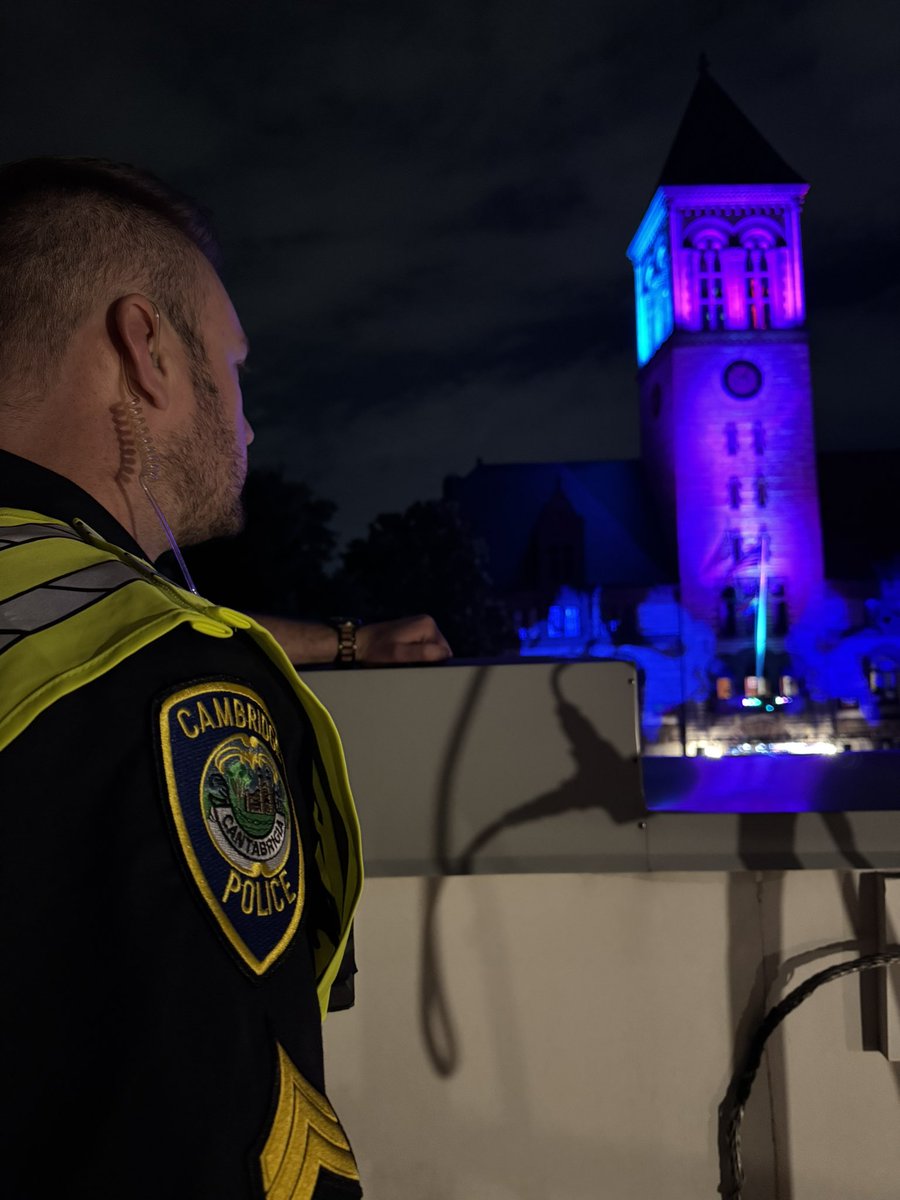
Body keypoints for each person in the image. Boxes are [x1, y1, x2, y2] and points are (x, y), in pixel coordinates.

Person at [0, 157, 370, 1198]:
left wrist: (346, 640)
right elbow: (217, 1142)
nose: (249, 424)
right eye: (235, 365)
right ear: (146, 348)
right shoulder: (171, 686)